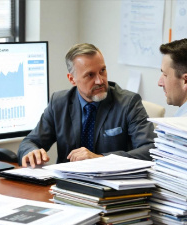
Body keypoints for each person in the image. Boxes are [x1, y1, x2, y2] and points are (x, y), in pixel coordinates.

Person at [18, 43, 155, 168]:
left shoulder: (128, 103)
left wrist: (101, 159)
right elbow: (29, 142)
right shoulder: (59, 103)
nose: (100, 80)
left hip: (112, 185)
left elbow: (150, 150)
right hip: (67, 185)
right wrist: (32, 151)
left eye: (102, 71)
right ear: (72, 79)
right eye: (90, 75)